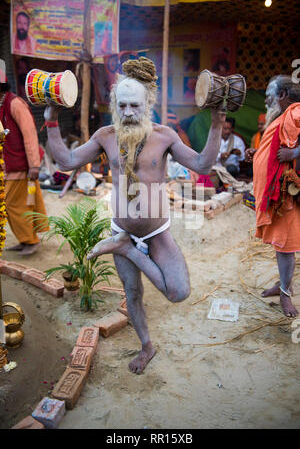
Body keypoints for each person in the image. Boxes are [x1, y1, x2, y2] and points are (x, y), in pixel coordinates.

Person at [44, 57, 226, 374]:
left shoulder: (165, 136)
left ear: (148, 103)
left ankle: (124, 246)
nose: (128, 113)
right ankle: (146, 346)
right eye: (123, 106)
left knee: (178, 292)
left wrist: (217, 124)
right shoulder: (105, 135)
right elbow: (66, 160)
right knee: (133, 294)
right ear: (116, 104)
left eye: (135, 106)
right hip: (122, 225)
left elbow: (202, 166)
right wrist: (51, 120)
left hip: (156, 233)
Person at [245, 75, 300, 317]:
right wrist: (258, 153)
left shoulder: (296, 111)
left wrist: (296, 151)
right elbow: (276, 150)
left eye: (269, 92)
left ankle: (286, 294)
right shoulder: (280, 118)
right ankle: (282, 284)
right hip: (278, 194)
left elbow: (289, 151)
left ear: (282, 95)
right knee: (280, 243)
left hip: (289, 194)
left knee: (286, 245)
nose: (265, 98)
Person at [0, 74, 48, 255]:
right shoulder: (2, 104)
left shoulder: (15, 104)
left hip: (22, 168)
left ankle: (30, 240)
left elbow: (30, 135)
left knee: (14, 205)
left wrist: (34, 165)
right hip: (10, 167)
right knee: (26, 203)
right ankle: (26, 239)